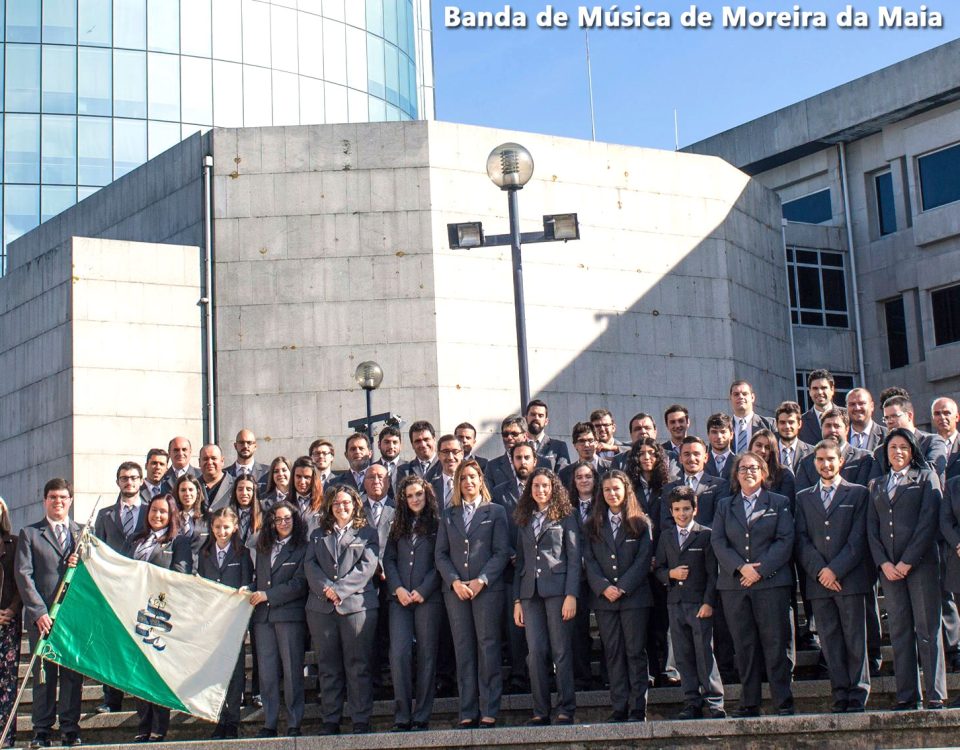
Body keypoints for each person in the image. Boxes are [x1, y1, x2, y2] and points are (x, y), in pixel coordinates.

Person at [866, 428, 946, 710]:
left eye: (903, 447)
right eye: (892, 448)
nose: (897, 452)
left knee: (927, 630)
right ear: (885, 454)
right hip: (889, 571)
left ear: (912, 450)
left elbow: (928, 522)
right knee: (899, 631)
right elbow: (871, 529)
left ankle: (934, 694)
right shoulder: (876, 484)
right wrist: (884, 563)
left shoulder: (926, 478)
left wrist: (907, 561)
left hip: (920, 565)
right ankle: (907, 694)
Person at [712, 452, 795, 717]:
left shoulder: (779, 502)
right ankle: (750, 702)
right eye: (743, 468)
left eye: (754, 467)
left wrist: (759, 571)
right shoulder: (725, 505)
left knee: (775, 644)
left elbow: (784, 540)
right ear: (735, 475)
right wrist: (740, 568)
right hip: (735, 586)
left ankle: (783, 701)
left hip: (770, 584)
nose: (748, 472)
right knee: (744, 645)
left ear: (763, 472)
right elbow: (718, 542)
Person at [794, 439, 871, 713]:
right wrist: (820, 571)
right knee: (830, 641)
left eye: (830, 459)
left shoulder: (858, 493)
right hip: (819, 583)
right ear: (814, 463)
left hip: (849, 580)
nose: (825, 465)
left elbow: (859, 537)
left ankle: (857, 694)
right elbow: (801, 540)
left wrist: (835, 569)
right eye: (820, 460)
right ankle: (839, 693)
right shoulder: (804, 497)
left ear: (840, 461)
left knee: (854, 639)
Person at [435, 459, 510, 728]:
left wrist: (482, 580)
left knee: (487, 647)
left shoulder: (496, 511)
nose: (468, 482)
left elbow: (501, 552)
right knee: (464, 649)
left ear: (480, 480)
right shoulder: (448, 514)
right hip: (455, 592)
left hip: (487, 590)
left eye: (472, 477)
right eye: (463, 478)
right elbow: (441, 554)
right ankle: (467, 709)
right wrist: (455, 582)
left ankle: (489, 707)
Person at [305, 485, 380, 736]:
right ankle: (331, 719)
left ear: (355, 504)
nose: (341, 507)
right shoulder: (317, 534)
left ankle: (360, 718)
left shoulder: (367, 533)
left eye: (346, 503)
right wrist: (327, 588)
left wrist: (341, 590)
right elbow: (310, 564)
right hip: (322, 609)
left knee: (358, 664)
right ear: (329, 507)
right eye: (336, 504)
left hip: (356, 607)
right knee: (328, 665)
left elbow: (367, 567)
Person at [15, 478, 84, 749]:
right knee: (44, 675)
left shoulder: (82, 534)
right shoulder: (30, 534)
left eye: (63, 497)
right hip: (41, 618)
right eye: (53, 497)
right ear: (45, 501)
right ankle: (41, 730)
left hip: (71, 617)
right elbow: (23, 575)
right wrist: (38, 612)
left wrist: (81, 564)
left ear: (70, 501)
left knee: (71, 675)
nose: (58, 502)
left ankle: (70, 728)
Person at [582, 469, 653, 723]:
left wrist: (622, 586)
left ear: (626, 491)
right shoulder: (592, 525)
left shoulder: (640, 523)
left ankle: (637, 707)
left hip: (634, 598)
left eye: (616, 489)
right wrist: (603, 587)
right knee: (612, 652)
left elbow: (644, 560)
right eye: (607, 490)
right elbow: (588, 561)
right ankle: (619, 706)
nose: (612, 494)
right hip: (604, 601)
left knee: (634, 651)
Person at [512, 468, 579, 725]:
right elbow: (520, 563)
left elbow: (574, 559)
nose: (540, 490)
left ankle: (565, 708)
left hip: (558, 591)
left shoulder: (566, 516)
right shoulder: (524, 517)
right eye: (536, 486)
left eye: (545, 486)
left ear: (554, 488)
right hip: (530, 593)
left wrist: (572, 594)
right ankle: (540, 710)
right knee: (536, 652)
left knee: (560, 651)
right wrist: (518, 600)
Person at [654, 487, 725, 720]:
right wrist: (670, 574)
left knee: (704, 652)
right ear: (671, 511)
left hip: (699, 604)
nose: (682, 514)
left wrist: (708, 602)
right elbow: (659, 569)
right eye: (677, 509)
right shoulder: (666, 536)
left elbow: (712, 574)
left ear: (695, 509)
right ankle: (691, 700)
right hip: (675, 603)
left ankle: (714, 701)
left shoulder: (705, 534)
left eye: (686, 509)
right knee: (683, 654)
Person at [128, 493, 192, 742]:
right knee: (139, 671)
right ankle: (143, 724)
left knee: (158, 671)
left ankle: (159, 726)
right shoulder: (136, 539)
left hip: (160, 614)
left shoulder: (179, 541)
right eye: (153, 510)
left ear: (171, 515)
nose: (157, 515)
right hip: (134, 611)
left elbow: (181, 573)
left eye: (163, 512)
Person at [383, 475, 442, 731]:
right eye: (409, 496)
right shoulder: (398, 525)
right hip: (400, 600)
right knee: (399, 654)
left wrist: (423, 590)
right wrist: (397, 588)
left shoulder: (438, 525)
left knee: (427, 655)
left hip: (427, 598)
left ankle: (421, 715)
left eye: (418, 494)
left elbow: (441, 561)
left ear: (426, 495)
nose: (414, 499)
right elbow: (389, 560)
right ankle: (402, 714)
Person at [94, 461, 149, 713]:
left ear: (141, 481)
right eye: (124, 478)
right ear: (118, 482)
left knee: (141, 643)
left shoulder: (151, 511)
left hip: (141, 587)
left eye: (134, 478)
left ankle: (142, 697)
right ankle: (111, 700)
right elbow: (97, 549)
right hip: (113, 588)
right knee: (112, 644)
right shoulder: (105, 515)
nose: (129, 482)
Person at [249, 501, 308, 738]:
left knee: (293, 672)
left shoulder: (303, 547)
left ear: (295, 520)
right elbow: (260, 581)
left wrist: (268, 595)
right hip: (263, 619)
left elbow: (300, 584)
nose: (282, 523)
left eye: (287, 519)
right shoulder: (263, 547)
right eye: (277, 519)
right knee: (267, 672)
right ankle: (269, 722)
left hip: (290, 617)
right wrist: (249, 589)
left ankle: (294, 722)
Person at [196, 507, 254, 739]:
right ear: (211, 528)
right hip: (213, 621)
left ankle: (233, 720)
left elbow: (248, 581)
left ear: (235, 527)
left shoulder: (242, 553)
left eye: (226, 527)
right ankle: (219, 718)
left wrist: (246, 589)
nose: (222, 531)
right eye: (218, 527)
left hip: (234, 621)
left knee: (236, 671)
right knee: (216, 671)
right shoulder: (205, 552)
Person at [0, 498, 22, 748]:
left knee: (7, 683)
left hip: (8, 622)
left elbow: (20, 581)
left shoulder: (14, 543)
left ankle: (6, 736)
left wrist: (12, 610)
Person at [748, 429, 796, 507]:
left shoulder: (785, 474)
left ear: (772, 451)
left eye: (767, 447)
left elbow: (786, 507)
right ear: (751, 447)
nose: (762, 450)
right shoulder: (741, 471)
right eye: (758, 445)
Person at [524, 399, 571, 471]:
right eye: (533, 414)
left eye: (540, 415)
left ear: (546, 421)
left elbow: (563, 476)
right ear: (526, 418)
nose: (536, 418)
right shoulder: (518, 446)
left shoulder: (559, 447)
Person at [728, 380, 773, 453]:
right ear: (730, 398)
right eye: (736, 394)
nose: (741, 397)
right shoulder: (724, 428)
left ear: (752, 397)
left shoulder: (769, 425)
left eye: (745, 394)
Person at [174, 473, 208, 565]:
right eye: (183, 490)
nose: (187, 493)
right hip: (174, 568)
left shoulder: (208, 517)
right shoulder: (171, 517)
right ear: (177, 493)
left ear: (197, 492)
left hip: (200, 569)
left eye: (191, 489)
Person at [799, 369, 837, 445]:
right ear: (809, 392)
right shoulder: (801, 423)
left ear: (832, 390)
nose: (819, 392)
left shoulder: (847, 417)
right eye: (815, 388)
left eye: (823, 388)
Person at [845, 388, 886, 452]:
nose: (857, 408)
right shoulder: (840, 436)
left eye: (861, 403)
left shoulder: (887, 436)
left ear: (872, 406)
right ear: (846, 407)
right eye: (852, 404)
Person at [229, 475, 262, 547]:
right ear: (235, 492)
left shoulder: (264, 516)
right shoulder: (227, 515)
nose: (244, 493)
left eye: (249, 489)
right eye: (240, 489)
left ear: (254, 492)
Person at [704, 413, 735, 480]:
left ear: (731, 434)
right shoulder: (701, 462)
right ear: (708, 434)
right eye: (714, 432)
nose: (719, 436)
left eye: (723, 432)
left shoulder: (739, 462)